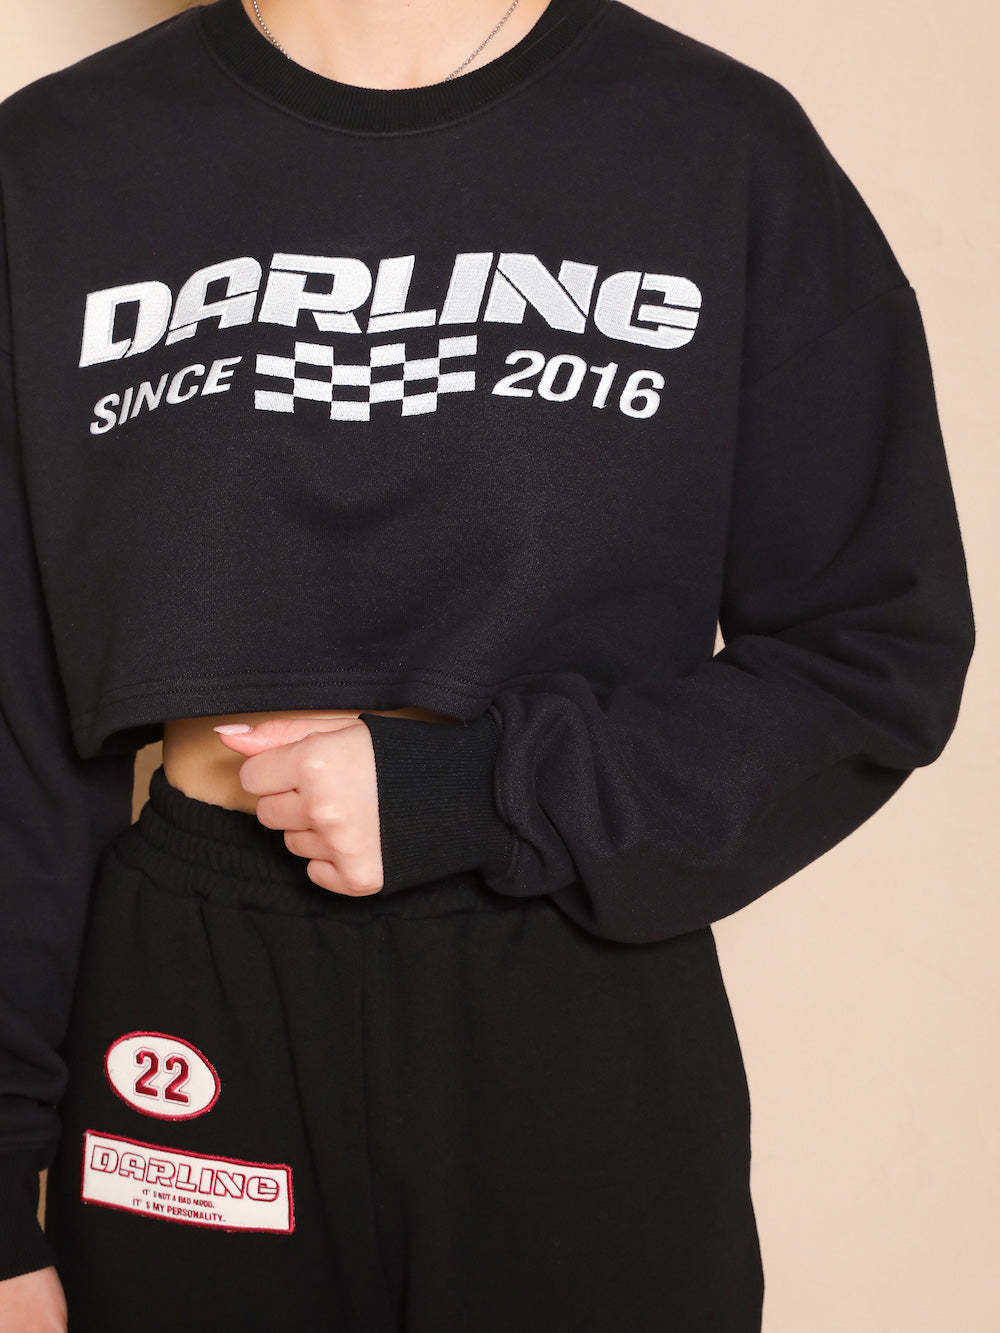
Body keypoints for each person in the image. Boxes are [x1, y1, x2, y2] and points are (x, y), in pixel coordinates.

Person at [0, 0, 976, 1328]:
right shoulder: (63, 163)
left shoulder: (717, 149)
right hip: (194, 997)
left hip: (572, 975)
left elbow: (875, 654)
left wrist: (477, 791)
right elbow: (8, 719)